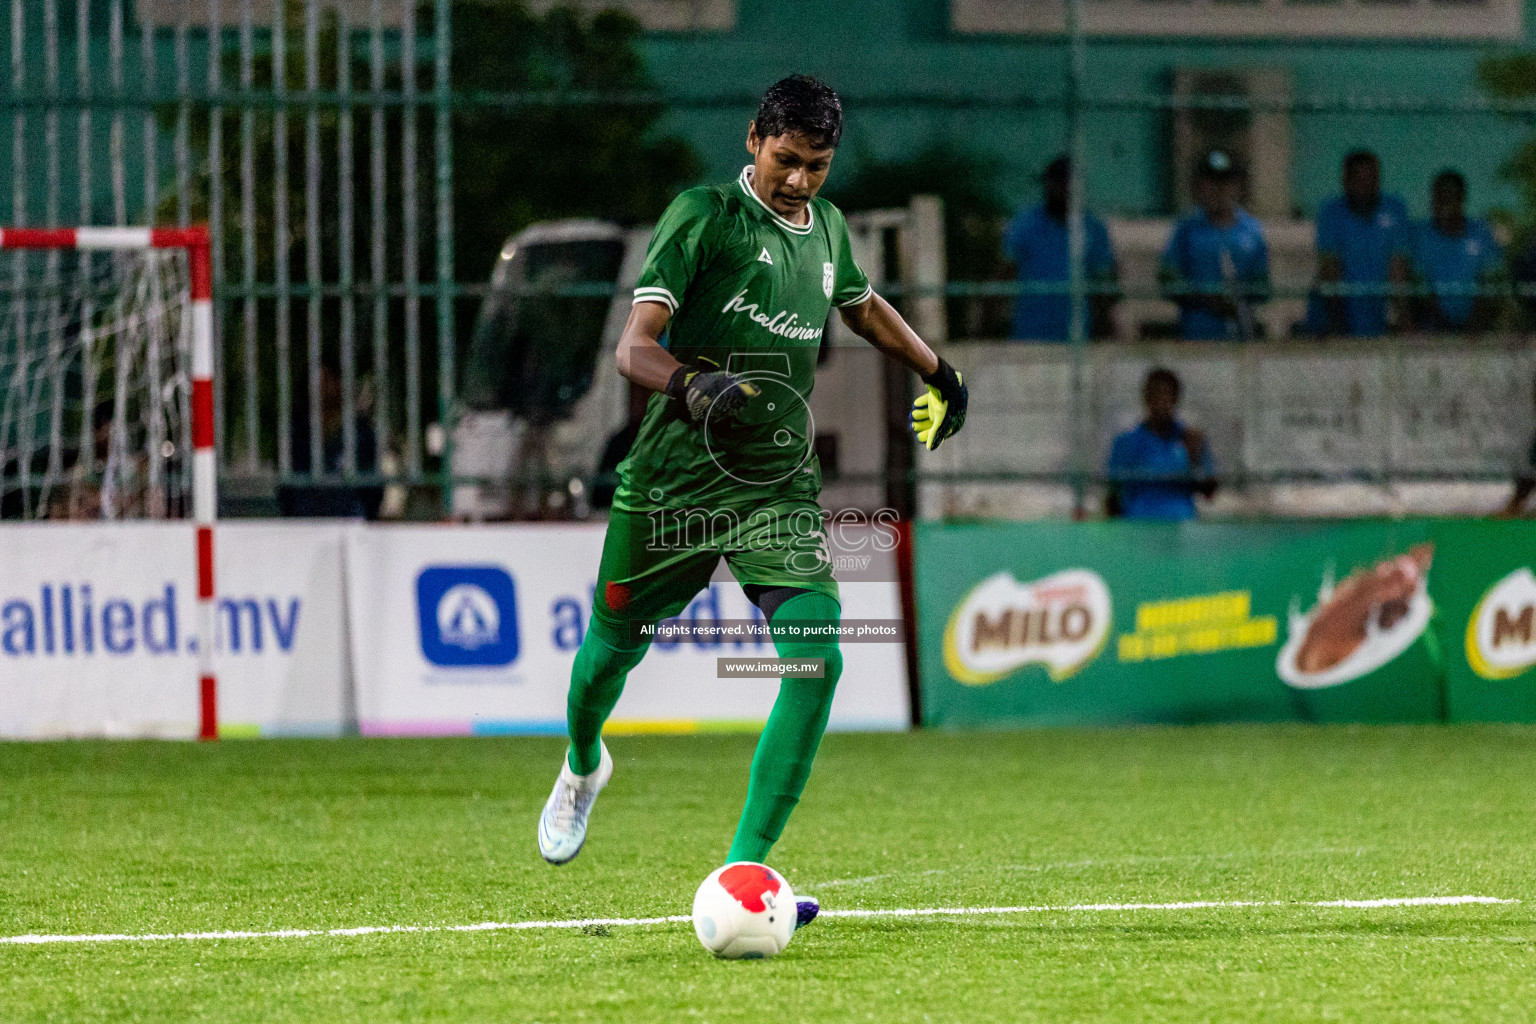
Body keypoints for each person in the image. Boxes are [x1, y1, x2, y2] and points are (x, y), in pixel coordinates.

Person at [535, 76, 968, 929]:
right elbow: (635, 350)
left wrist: (939, 371)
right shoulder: (703, 216)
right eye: (786, 159)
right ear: (753, 141)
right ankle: (584, 764)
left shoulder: (830, 230)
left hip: (775, 490)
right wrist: (700, 387)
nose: (800, 180)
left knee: (818, 660)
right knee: (607, 656)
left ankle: (744, 872)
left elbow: (865, 305)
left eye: (817, 165)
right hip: (672, 488)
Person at [1001, 155, 1118, 341]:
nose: (1060, 190)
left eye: (1066, 183)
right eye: (1055, 183)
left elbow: (1106, 280)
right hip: (1030, 332)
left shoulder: (1092, 227)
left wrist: (1105, 325)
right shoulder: (1025, 222)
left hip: (1078, 336)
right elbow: (1006, 271)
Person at [1160, 151, 1270, 341]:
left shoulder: (1252, 230)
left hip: (1240, 335)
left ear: (1238, 187)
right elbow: (1167, 279)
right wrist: (1205, 298)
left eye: (1226, 182)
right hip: (1196, 336)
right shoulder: (1186, 229)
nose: (1219, 190)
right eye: (1211, 182)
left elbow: (1264, 286)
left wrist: (1238, 300)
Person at [1306, 151, 1411, 338]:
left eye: (1371, 179)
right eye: (1359, 180)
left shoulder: (1394, 210)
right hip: (1332, 317)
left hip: (1374, 317)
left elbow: (1398, 269)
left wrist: (1405, 321)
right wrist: (1337, 326)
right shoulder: (1331, 213)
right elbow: (1330, 270)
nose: (1366, 187)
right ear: (1346, 181)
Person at [1105, 367, 1215, 521]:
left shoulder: (1191, 439)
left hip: (1180, 524)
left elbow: (1209, 493)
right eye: (1154, 395)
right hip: (1136, 526)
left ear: (1176, 399)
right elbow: (1112, 495)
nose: (1160, 402)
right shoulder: (1125, 442)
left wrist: (1194, 457)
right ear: (1146, 398)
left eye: (1166, 395)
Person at [276, 363, 383, 518]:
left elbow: (372, 483)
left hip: (350, 521)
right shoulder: (297, 432)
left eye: (328, 381)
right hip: (304, 521)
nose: (323, 389)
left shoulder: (361, 432)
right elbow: (287, 483)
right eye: (316, 382)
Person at [1409, 170, 1506, 334]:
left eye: (1449, 196)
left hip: (1478, 328)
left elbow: (1492, 282)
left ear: (1461, 198)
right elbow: (1418, 285)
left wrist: (1474, 327)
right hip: (1433, 328)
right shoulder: (1420, 235)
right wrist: (1443, 327)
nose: (1443, 203)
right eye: (1438, 197)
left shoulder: (1481, 233)